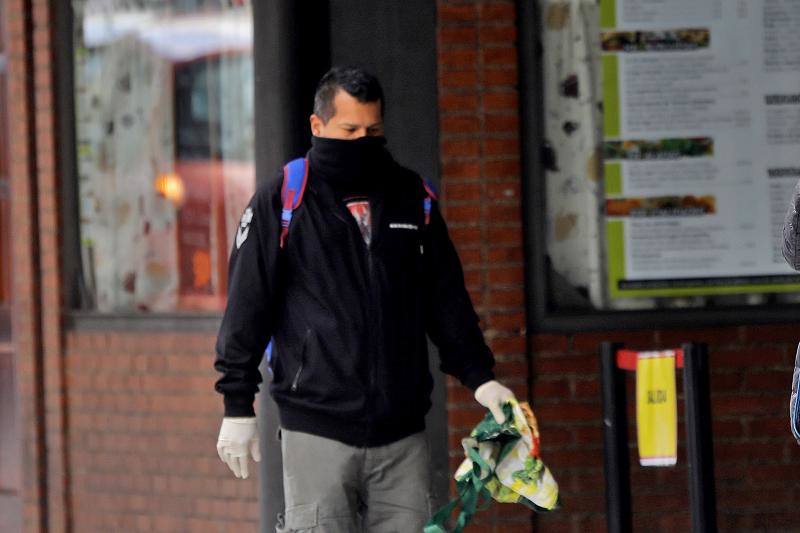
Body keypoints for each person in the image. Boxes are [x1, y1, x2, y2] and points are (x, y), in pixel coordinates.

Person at [214, 66, 516, 532]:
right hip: (316, 428)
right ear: (318, 127)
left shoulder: (411, 197)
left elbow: (445, 297)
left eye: (372, 130)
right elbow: (247, 305)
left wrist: (481, 378)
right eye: (349, 130)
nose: (362, 141)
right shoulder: (284, 199)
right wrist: (237, 404)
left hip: (402, 434)